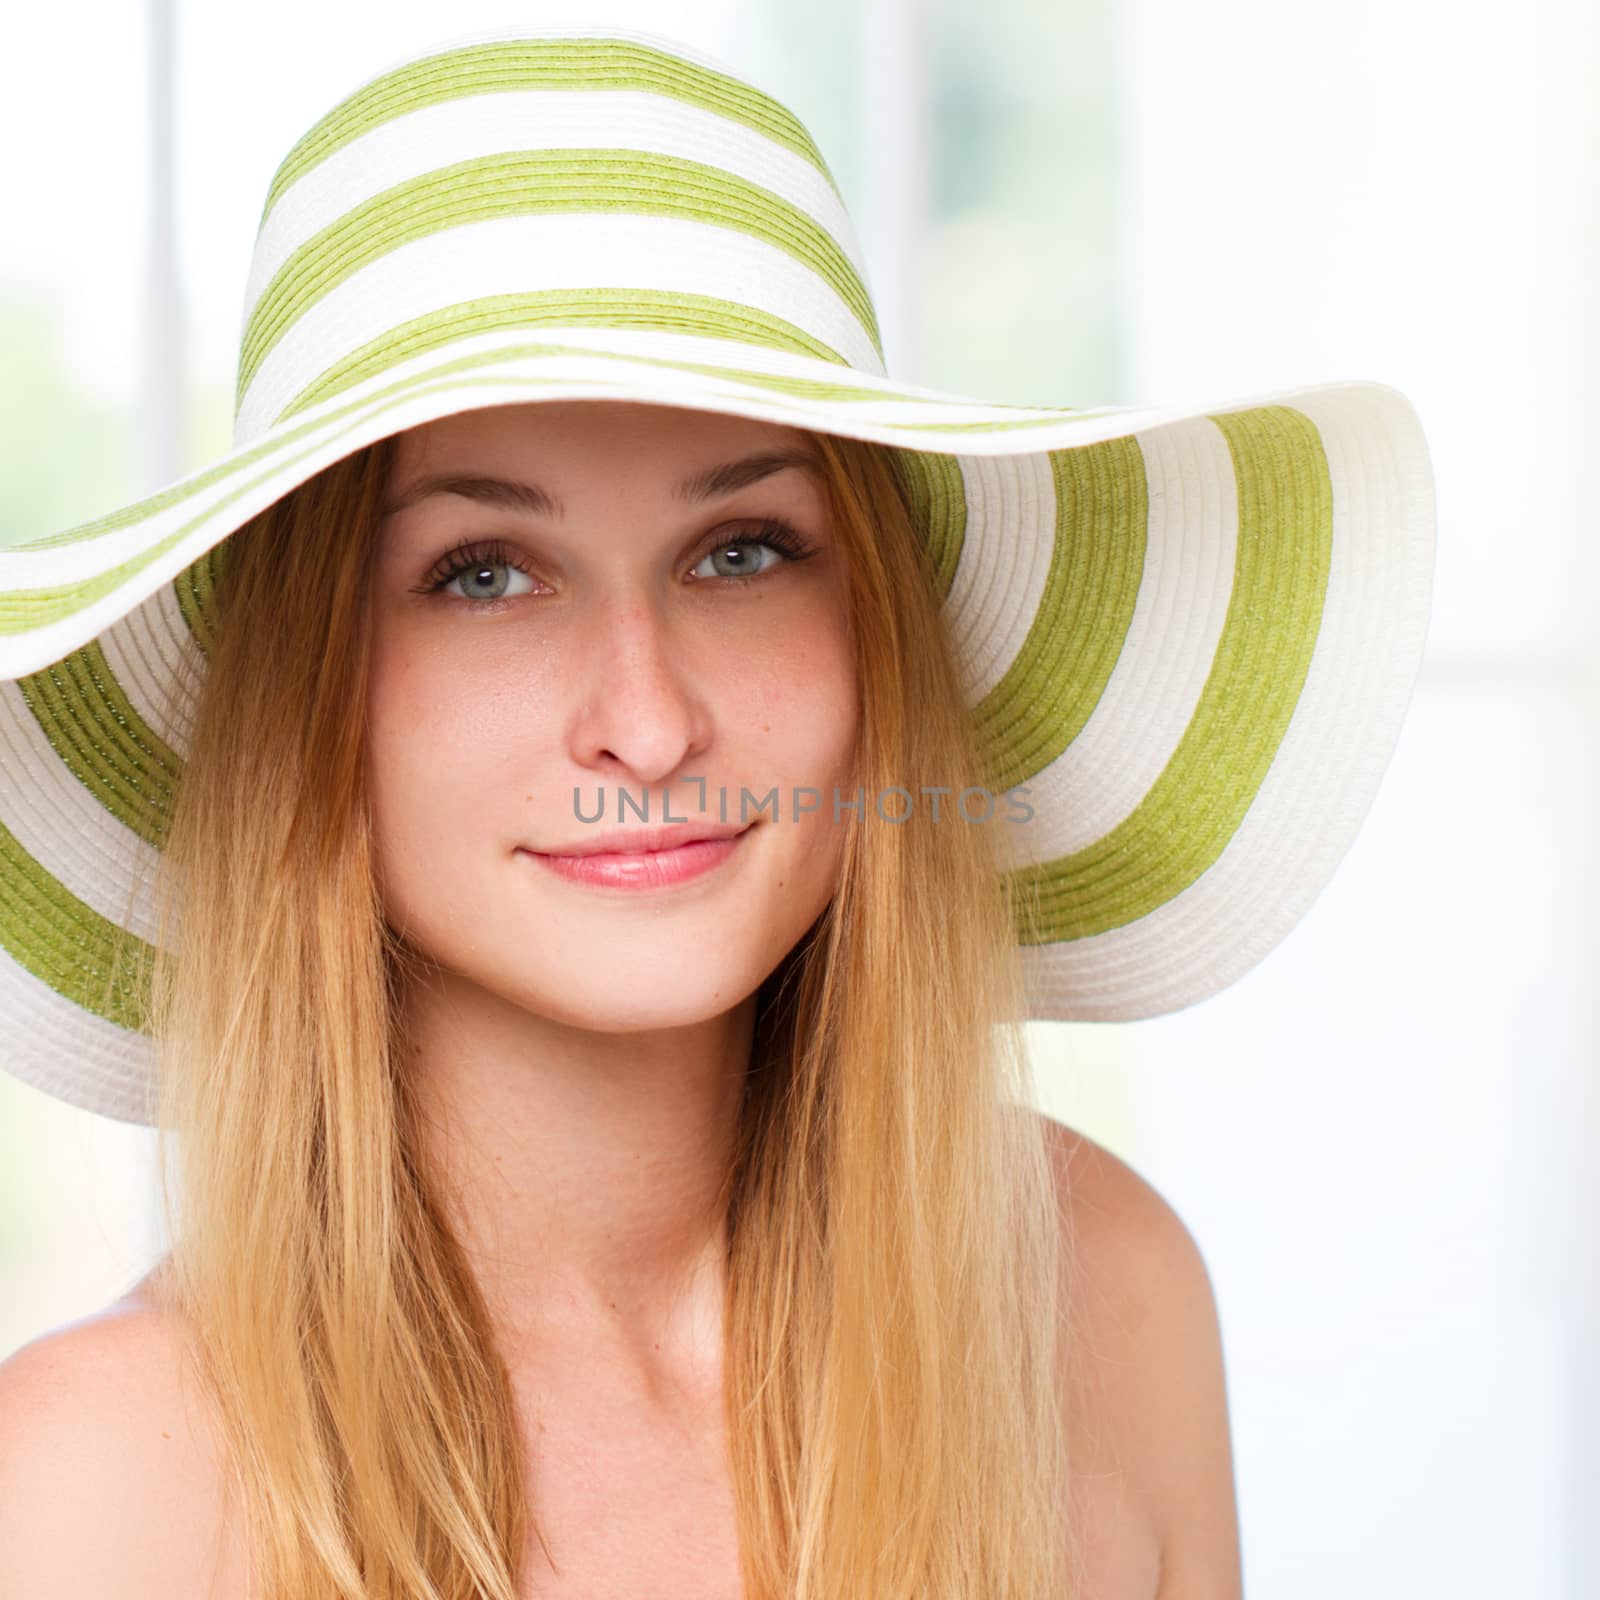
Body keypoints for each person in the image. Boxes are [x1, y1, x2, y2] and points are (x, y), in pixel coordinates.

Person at [0, 21, 1435, 1600]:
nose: (650, 720)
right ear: (309, 704)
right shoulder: (97, 1484)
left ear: (876, 632)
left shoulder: (1099, 1297)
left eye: (742, 550)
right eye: (483, 574)